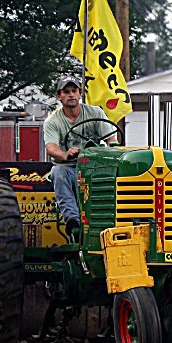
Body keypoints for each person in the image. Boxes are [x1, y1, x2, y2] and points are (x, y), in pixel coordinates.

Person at [43, 75, 118, 236]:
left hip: (94, 168)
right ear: (59, 96)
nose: (71, 95)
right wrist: (65, 154)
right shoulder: (53, 121)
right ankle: (73, 221)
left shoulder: (95, 112)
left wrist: (112, 149)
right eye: (66, 92)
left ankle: (116, 221)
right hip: (70, 168)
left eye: (74, 91)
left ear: (80, 93)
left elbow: (111, 139)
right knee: (58, 172)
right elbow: (51, 147)